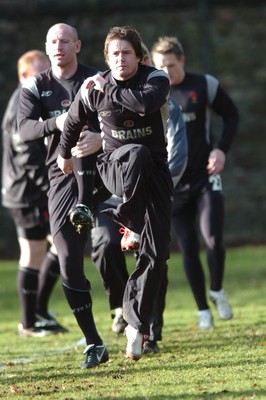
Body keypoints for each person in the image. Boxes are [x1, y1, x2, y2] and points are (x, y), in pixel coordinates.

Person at [57, 26, 173, 361]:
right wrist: (65, 155)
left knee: (158, 254)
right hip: (115, 166)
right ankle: (131, 222)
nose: (120, 59)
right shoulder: (91, 89)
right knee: (134, 152)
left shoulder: (156, 80)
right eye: (114, 54)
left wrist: (106, 85)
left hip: (155, 174)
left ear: (139, 56)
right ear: (107, 58)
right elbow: (72, 123)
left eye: (126, 53)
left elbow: (143, 104)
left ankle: (136, 324)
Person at [17, 23, 108, 369]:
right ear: (46, 45)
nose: (58, 46)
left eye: (64, 41)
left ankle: (126, 313)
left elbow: (119, 119)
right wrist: (59, 122)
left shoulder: (96, 79)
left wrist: (99, 138)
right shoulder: (37, 87)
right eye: (52, 41)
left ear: (78, 46)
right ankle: (94, 342)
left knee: (111, 248)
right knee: (69, 259)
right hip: (63, 179)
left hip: (105, 174)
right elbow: (24, 129)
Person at [151, 36, 239, 329]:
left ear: (182, 61)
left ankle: (216, 290)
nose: (166, 72)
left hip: (205, 178)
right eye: (160, 66)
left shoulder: (204, 85)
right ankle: (203, 310)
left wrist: (221, 150)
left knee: (213, 239)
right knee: (188, 247)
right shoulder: (151, 92)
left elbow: (232, 115)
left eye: (171, 66)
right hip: (173, 184)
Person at [1, 49, 68, 337]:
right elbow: (25, 150)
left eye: (46, 71)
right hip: (26, 193)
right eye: (38, 72)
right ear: (23, 75)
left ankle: (39, 310)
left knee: (59, 244)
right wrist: (50, 184)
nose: (44, 77)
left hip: (34, 190)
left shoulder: (38, 98)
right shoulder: (22, 100)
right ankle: (29, 322)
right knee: (34, 252)